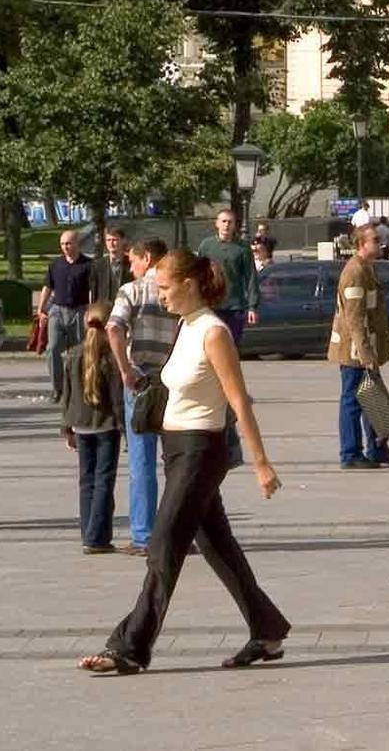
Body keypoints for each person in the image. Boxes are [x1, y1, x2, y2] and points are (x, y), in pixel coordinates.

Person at [80, 248, 289, 675]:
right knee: (219, 548)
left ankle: (130, 647)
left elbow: (239, 401)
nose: (161, 296)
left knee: (162, 546)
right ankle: (267, 630)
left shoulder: (214, 332)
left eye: (165, 287)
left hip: (200, 451)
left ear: (189, 285)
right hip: (175, 451)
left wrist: (261, 462)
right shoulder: (186, 325)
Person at [106, 237, 174, 557]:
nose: (130, 267)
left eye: (132, 261)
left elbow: (114, 328)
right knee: (177, 461)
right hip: (175, 379)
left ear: (146, 258)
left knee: (141, 460)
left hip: (142, 380)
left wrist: (124, 369)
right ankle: (178, 532)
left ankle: (144, 535)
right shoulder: (176, 291)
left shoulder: (132, 291)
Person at [331, 226, 389, 470]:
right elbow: (354, 319)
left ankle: (378, 449)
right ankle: (350, 454)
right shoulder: (355, 272)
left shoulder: (368, 267)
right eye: (375, 240)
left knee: (373, 396)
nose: (380, 244)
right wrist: (366, 354)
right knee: (353, 401)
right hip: (354, 351)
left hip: (367, 348)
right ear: (361, 244)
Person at [62, 305, 124, 553]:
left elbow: (65, 394)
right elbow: (116, 397)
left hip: (79, 423)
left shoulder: (73, 354)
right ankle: (97, 537)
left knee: (86, 480)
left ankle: (88, 533)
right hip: (106, 425)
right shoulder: (110, 357)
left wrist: (66, 428)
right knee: (103, 480)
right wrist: (124, 424)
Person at [39, 229, 95, 403]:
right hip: (57, 310)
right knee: (53, 348)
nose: (66, 247)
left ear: (77, 244)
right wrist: (41, 309)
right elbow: (47, 287)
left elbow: (93, 290)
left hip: (79, 311)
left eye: (69, 243)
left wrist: (91, 312)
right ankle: (58, 388)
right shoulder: (55, 264)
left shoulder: (88, 265)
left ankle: (80, 388)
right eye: (63, 244)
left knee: (80, 351)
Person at [195, 209, 259, 345]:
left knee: (231, 345)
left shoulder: (242, 248)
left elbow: (250, 276)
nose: (226, 225)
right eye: (223, 221)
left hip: (234, 306)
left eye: (230, 222)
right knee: (210, 344)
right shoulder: (207, 246)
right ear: (217, 224)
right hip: (211, 304)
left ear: (235, 225)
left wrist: (252, 306)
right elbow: (198, 274)